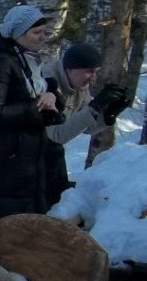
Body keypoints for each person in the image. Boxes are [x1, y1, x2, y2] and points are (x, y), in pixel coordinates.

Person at [0, 4, 63, 246]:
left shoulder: (27, 62)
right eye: (36, 32)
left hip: (26, 164)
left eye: (44, 32)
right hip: (5, 164)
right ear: (18, 33)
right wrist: (37, 107)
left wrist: (51, 97)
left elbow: (34, 97)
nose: (42, 37)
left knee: (22, 237)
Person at [40, 42, 131, 207]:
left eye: (96, 72)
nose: (93, 77)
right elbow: (55, 136)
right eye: (89, 71)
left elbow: (88, 127)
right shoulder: (46, 83)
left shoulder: (79, 85)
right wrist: (94, 108)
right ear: (70, 68)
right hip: (24, 160)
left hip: (48, 156)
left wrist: (108, 115)